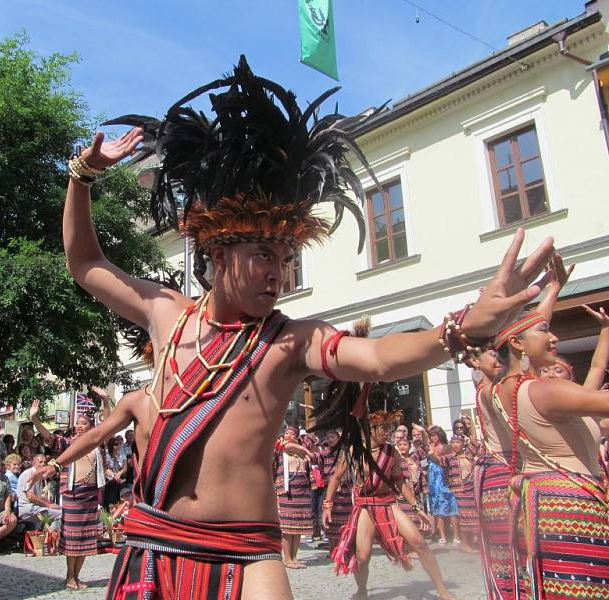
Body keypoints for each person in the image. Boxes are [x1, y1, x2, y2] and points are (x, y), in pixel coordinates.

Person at [61, 56, 554, 598]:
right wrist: (81, 179)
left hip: (247, 555)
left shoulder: (290, 340)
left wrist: (460, 330)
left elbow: (381, 358)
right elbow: (86, 264)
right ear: (219, 252)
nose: (280, 272)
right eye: (264, 254)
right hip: (151, 548)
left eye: (287, 257)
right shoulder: (167, 316)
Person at [489, 307, 609, 598]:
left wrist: (605, 330)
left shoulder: (502, 391)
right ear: (517, 343)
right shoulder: (546, 391)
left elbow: (594, 371)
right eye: (544, 331)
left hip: (546, 505)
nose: (554, 338)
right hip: (572, 506)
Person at [322, 410, 457, 600]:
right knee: (363, 555)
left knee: (419, 542)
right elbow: (335, 478)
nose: (388, 432)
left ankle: (441, 589)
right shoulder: (355, 450)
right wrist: (327, 505)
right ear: (371, 429)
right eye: (384, 428)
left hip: (387, 503)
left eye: (389, 428)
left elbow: (400, 482)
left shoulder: (391, 452)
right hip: (365, 506)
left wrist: (417, 508)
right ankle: (362, 590)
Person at [30, 400, 103, 590]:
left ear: (91, 426)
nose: (79, 426)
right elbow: (49, 437)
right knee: (72, 537)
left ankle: (78, 576)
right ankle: (70, 577)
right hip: (73, 494)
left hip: (90, 494)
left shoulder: (97, 444)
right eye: (78, 423)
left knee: (86, 537)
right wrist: (34, 418)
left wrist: (104, 400)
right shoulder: (68, 444)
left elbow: (109, 422)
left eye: (84, 423)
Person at [274, 425, 314, 568]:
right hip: (287, 491)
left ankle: (295, 557)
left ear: (297, 436)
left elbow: (312, 437)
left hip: (302, 492)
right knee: (287, 528)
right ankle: (287, 558)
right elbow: (275, 444)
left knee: (298, 528)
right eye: (286, 433)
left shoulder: (304, 450)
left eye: (292, 434)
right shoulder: (279, 450)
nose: (289, 436)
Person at [426, 425, 462, 545]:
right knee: (437, 508)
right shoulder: (432, 446)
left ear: (440, 435)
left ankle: (456, 536)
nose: (433, 437)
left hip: (443, 479)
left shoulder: (445, 447)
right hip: (433, 481)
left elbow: (441, 462)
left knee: (450, 506)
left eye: (435, 435)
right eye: (431, 435)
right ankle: (443, 536)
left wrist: (432, 453)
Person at [447, 435, 478, 553]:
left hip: (471, 489)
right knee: (464, 518)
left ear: (463, 443)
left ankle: (470, 543)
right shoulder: (450, 458)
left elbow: (475, 444)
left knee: (472, 517)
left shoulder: (469, 456)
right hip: (459, 491)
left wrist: (470, 430)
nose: (455, 445)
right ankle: (465, 544)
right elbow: (436, 459)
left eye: (458, 442)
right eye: (453, 442)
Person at [16, 453, 62, 528]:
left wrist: (54, 505)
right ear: (34, 463)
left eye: (44, 462)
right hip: (28, 509)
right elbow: (30, 496)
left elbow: (40, 497)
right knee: (61, 515)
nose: (43, 464)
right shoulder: (29, 473)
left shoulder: (40, 476)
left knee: (60, 511)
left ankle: (47, 534)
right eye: (40, 462)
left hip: (36, 508)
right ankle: (52, 537)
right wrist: (49, 505)